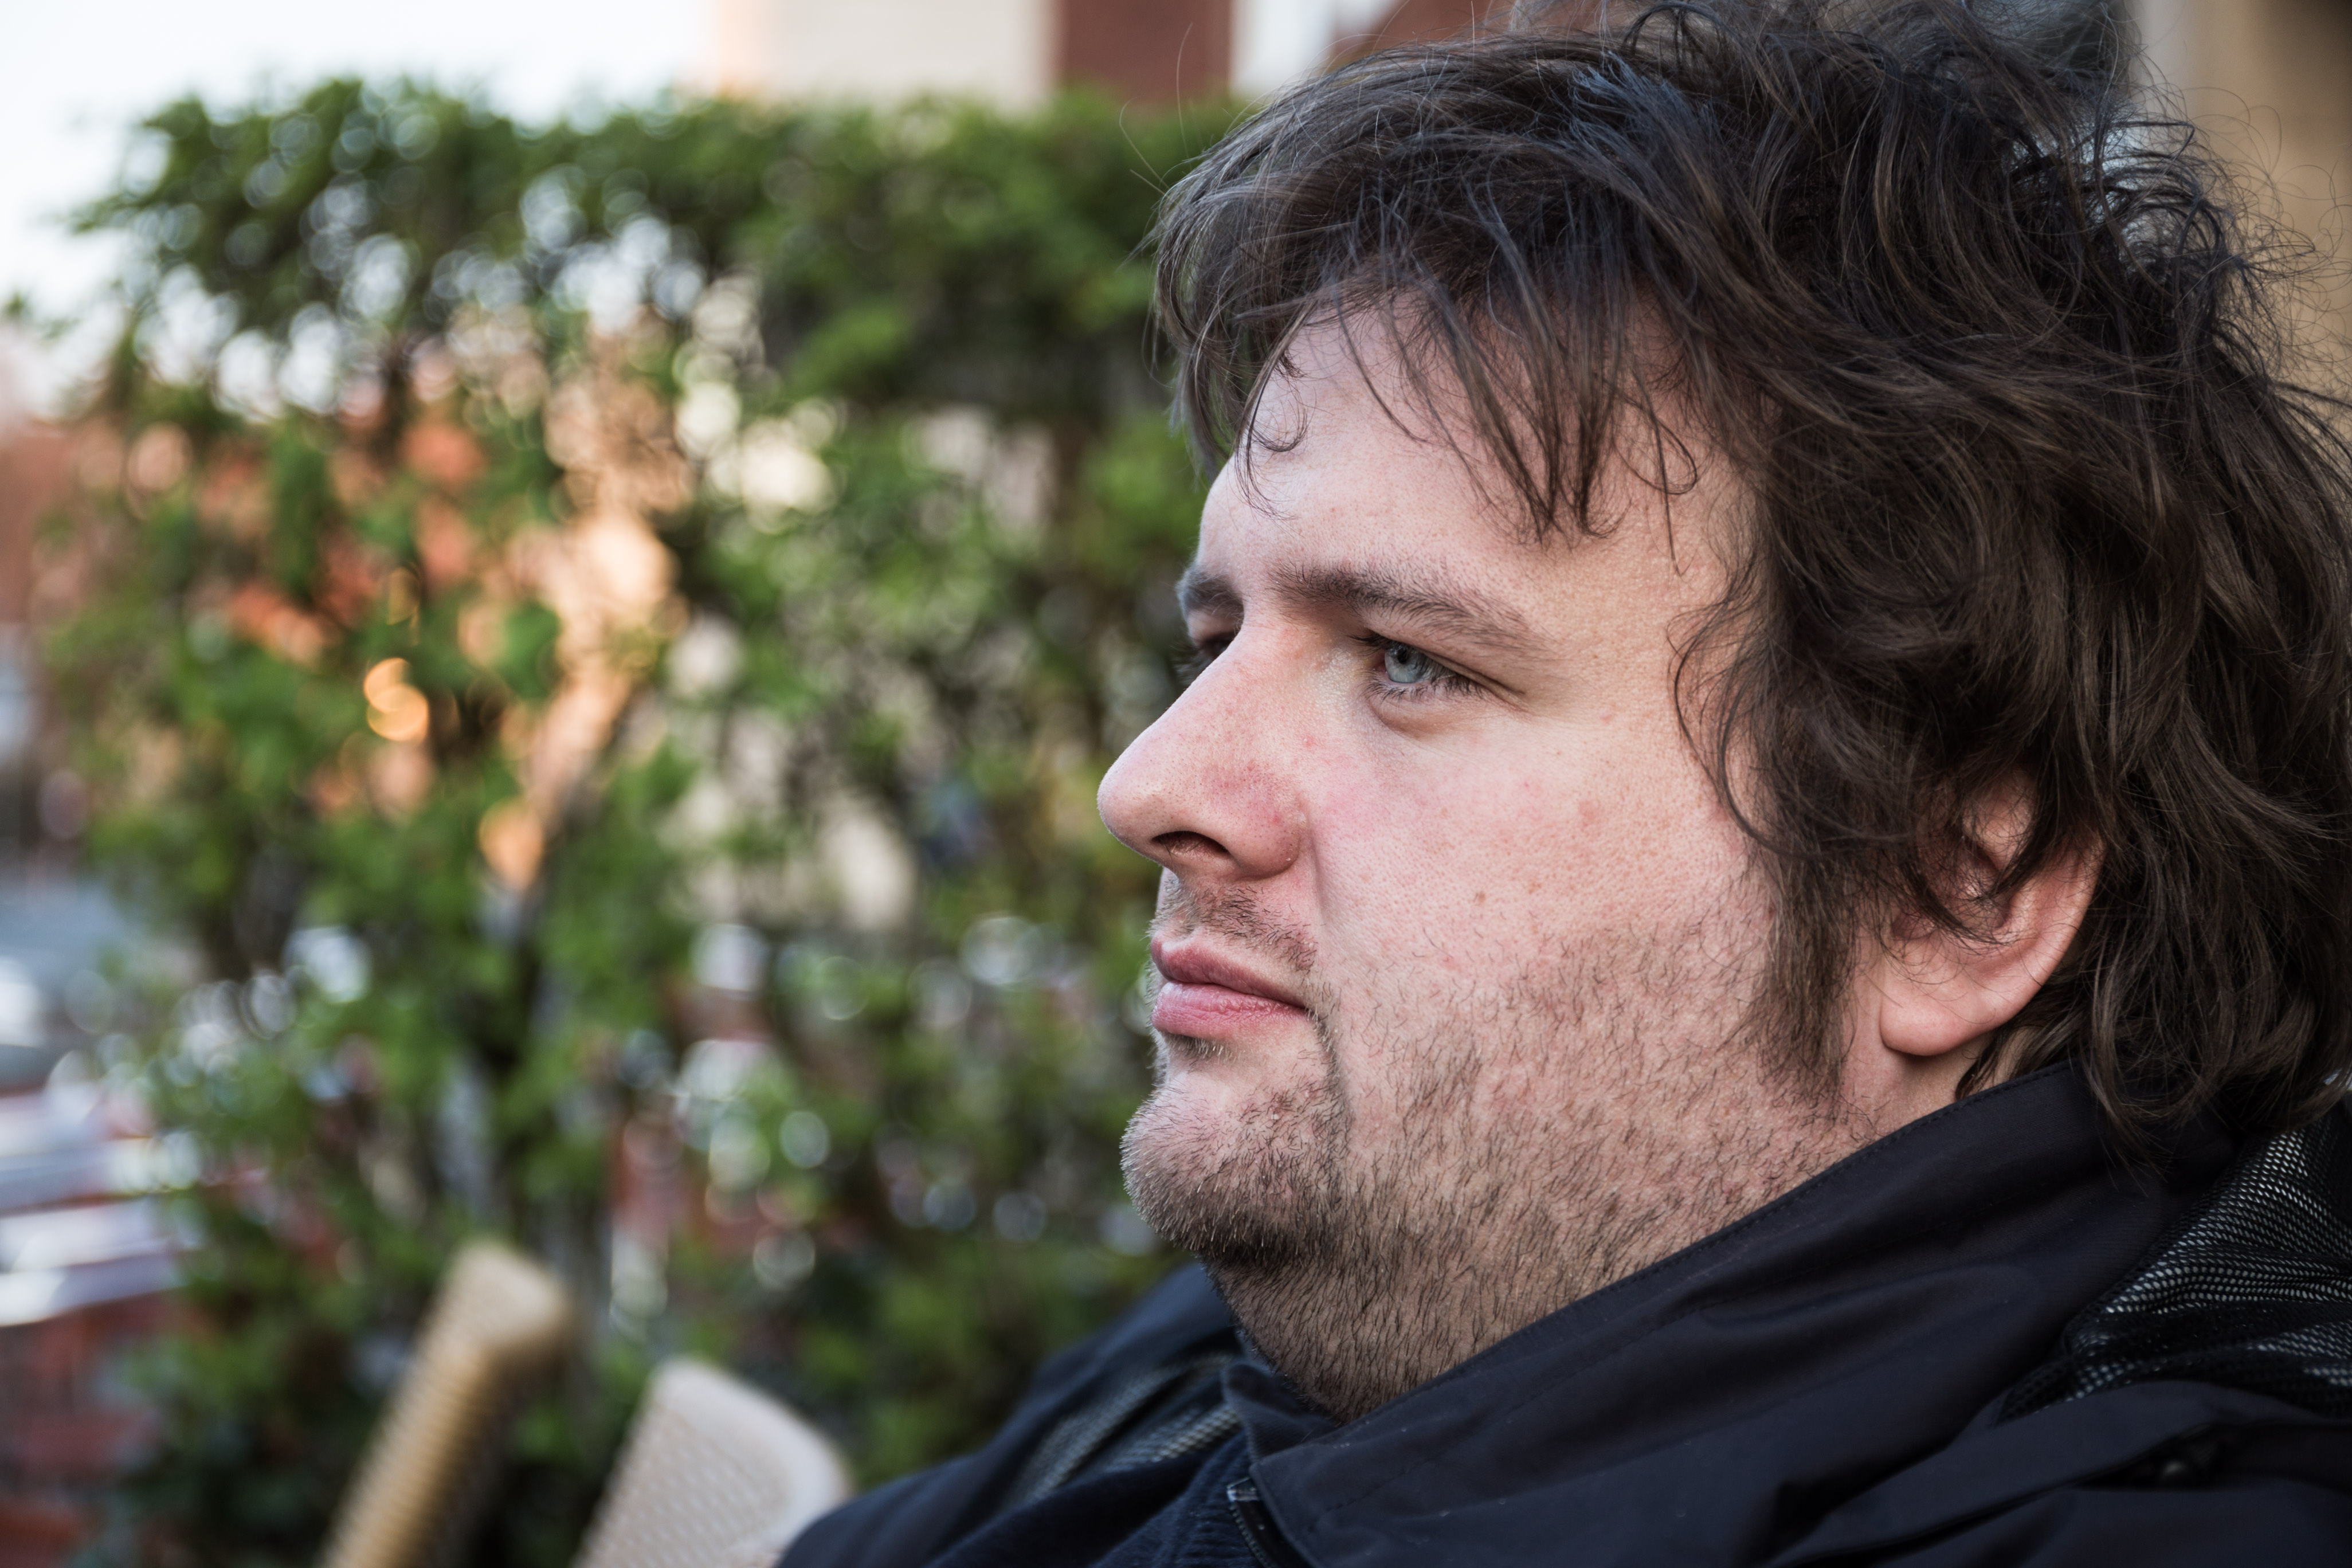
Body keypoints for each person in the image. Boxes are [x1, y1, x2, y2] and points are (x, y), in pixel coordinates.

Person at [784, 2, 2352, 1562]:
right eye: (1212, 640)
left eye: (1409, 660)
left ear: (1954, 888)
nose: (1151, 783)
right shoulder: (1279, 1347)